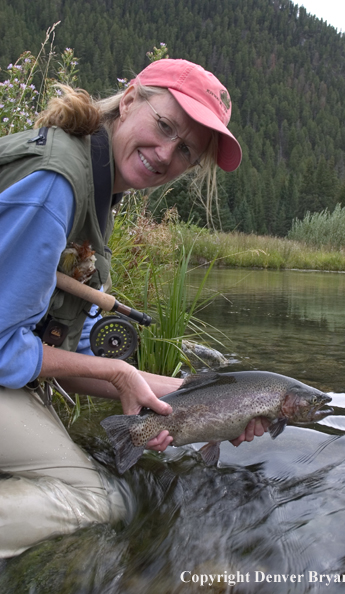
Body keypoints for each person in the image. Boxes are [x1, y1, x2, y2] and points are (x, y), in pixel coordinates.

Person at [0, 58, 267, 557]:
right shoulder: (57, 183)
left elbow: (63, 348)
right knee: (96, 500)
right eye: (164, 126)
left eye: (185, 149)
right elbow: (1, 348)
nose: (166, 154)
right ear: (129, 100)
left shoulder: (95, 185)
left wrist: (205, 398)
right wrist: (121, 376)